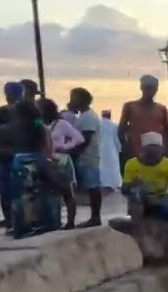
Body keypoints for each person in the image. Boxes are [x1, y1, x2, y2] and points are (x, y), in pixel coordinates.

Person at [122, 132, 168, 265]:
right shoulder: (132, 164)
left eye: (156, 149)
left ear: (162, 149)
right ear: (143, 149)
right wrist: (132, 184)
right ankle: (145, 254)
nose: (153, 152)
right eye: (150, 149)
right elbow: (124, 190)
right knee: (137, 193)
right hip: (140, 201)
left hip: (159, 200)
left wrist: (163, 199)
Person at [8, 100, 63, 239]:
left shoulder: (29, 126)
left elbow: (43, 136)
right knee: (36, 195)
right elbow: (45, 140)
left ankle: (27, 226)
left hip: (26, 162)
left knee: (27, 197)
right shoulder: (34, 126)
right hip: (31, 162)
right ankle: (38, 225)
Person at [0, 82, 27, 229]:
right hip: (9, 156)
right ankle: (11, 220)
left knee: (14, 192)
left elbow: (37, 125)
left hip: (15, 155)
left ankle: (14, 220)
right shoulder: (1, 112)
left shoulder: (24, 111)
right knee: (10, 192)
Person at [40, 98, 84, 229]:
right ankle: (52, 221)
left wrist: (64, 147)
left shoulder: (61, 124)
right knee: (47, 192)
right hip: (45, 159)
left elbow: (79, 138)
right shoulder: (39, 124)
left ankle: (70, 222)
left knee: (67, 192)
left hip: (60, 160)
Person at [67, 89, 104, 226]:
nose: (71, 101)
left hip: (88, 158)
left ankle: (95, 217)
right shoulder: (83, 116)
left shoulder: (88, 117)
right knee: (90, 188)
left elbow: (85, 140)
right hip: (85, 157)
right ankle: (94, 217)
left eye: (73, 98)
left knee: (93, 188)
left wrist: (73, 154)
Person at [118, 75, 168, 168]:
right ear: (141, 88)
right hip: (135, 152)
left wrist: (165, 150)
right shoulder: (130, 106)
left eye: (153, 89)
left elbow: (167, 131)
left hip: (157, 154)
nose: (150, 91)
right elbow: (121, 129)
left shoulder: (161, 109)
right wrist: (125, 146)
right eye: (147, 88)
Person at [98, 109, 122, 191]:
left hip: (100, 146)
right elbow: (116, 138)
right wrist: (119, 148)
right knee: (112, 165)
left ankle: (103, 182)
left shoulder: (98, 124)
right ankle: (113, 183)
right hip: (111, 147)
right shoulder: (114, 125)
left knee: (102, 165)